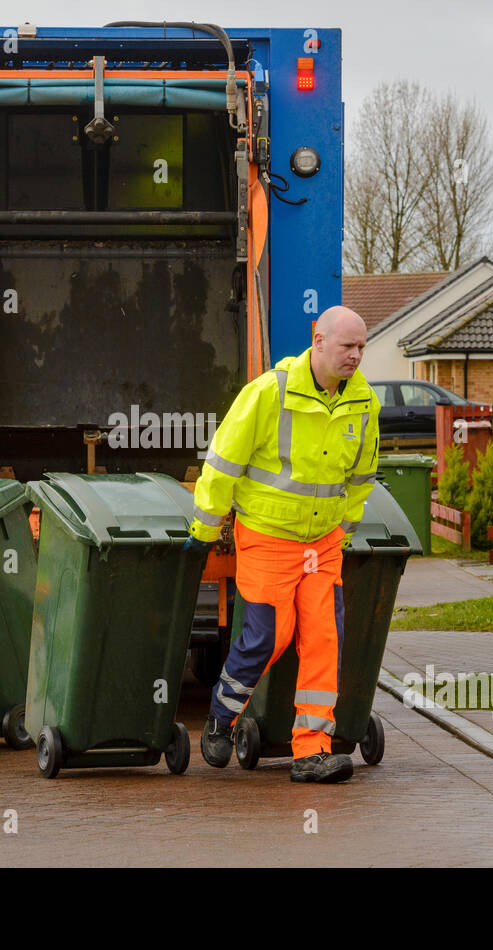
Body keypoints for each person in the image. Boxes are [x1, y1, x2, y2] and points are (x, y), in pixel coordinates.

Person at [186, 306, 378, 783]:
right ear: (318, 341)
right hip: (268, 538)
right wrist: (205, 531)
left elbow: (360, 476)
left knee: (322, 642)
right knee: (267, 639)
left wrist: (345, 530)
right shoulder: (268, 394)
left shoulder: (364, 402)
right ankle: (221, 718)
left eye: (361, 347)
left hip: (323, 544)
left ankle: (311, 751)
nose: (355, 356)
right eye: (346, 346)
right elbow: (224, 462)